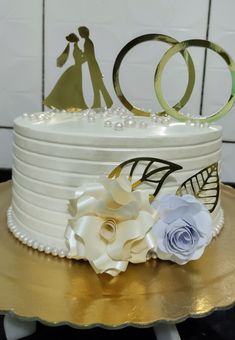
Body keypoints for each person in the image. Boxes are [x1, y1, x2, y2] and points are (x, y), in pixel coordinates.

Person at [44, 33, 87, 111]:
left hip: (76, 69)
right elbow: (79, 60)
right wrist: (87, 57)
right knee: (75, 89)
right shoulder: (76, 49)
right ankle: (77, 106)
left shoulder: (76, 48)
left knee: (75, 89)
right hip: (76, 70)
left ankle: (77, 106)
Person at [78, 26, 113, 109]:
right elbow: (87, 55)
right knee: (96, 86)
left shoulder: (87, 43)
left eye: (80, 32)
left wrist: (79, 62)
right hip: (92, 66)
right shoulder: (88, 42)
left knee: (100, 85)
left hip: (93, 66)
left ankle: (108, 102)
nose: (79, 34)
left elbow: (88, 56)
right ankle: (97, 103)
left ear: (83, 33)